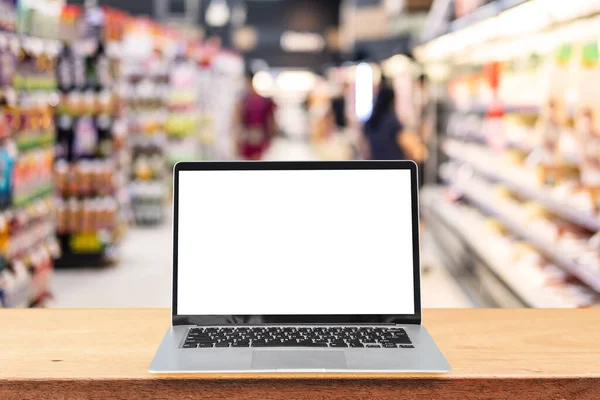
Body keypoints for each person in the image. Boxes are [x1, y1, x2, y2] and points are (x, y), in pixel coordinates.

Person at [363, 79, 426, 163]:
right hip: (395, 169)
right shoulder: (392, 122)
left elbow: (365, 151)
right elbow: (417, 152)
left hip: (377, 168)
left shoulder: (369, 123)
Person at [234, 71, 277, 160]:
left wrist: (271, 137)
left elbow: (270, 121)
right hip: (247, 137)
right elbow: (238, 120)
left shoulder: (264, 101)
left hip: (259, 137)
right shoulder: (243, 101)